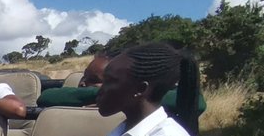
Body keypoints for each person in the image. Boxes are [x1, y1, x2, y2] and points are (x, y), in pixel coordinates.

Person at [37, 51, 207, 131]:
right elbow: (46, 98)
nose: (83, 84)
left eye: (106, 82)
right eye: (85, 78)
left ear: (139, 90)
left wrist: (109, 96)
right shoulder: (121, 130)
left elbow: (195, 102)